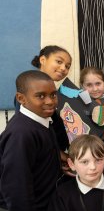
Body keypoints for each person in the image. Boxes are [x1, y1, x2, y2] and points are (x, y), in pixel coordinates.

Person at [0, 70, 62, 211]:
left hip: (36, 209)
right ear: (21, 98)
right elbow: (15, 185)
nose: (50, 101)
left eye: (53, 95)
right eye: (40, 96)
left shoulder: (42, 120)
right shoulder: (22, 133)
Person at [31, 46, 73, 177]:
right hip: (43, 164)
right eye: (59, 62)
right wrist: (62, 156)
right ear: (43, 59)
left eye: (67, 66)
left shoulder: (54, 92)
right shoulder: (31, 92)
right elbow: (38, 134)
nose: (63, 68)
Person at [80, 67, 104, 173]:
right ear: (82, 86)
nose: (95, 89)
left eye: (98, 83)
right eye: (89, 85)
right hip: (86, 149)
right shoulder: (79, 104)